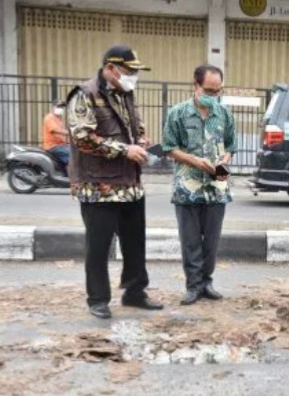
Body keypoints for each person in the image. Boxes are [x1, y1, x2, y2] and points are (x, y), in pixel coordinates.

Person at [65, 45, 163, 319]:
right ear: (110, 68)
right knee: (98, 246)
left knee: (135, 243)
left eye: (135, 71)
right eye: (129, 71)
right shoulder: (84, 95)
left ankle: (135, 292)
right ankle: (97, 299)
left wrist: (142, 142)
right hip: (98, 188)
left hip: (130, 185)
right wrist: (125, 150)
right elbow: (82, 137)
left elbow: (137, 127)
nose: (133, 76)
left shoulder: (126, 95)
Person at [162, 64, 237, 305]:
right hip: (187, 186)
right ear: (195, 86)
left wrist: (221, 171)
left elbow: (230, 147)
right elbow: (168, 148)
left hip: (217, 187)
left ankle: (207, 282)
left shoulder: (225, 114)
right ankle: (193, 286)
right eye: (209, 90)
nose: (213, 96)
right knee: (191, 240)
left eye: (218, 91)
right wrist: (195, 161)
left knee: (212, 240)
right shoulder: (177, 113)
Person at [42, 99, 70, 166]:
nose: (60, 109)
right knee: (73, 154)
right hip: (53, 146)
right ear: (53, 107)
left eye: (62, 107)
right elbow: (55, 130)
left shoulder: (58, 119)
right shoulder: (49, 118)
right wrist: (71, 133)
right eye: (58, 106)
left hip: (60, 145)